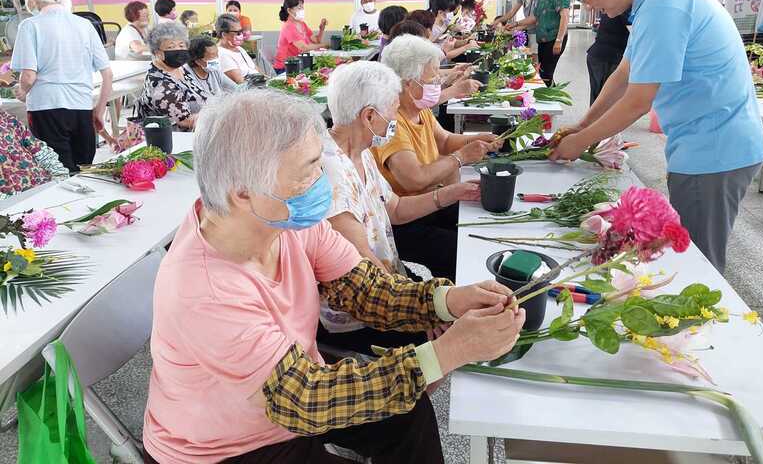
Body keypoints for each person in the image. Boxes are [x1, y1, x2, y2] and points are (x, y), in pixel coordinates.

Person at [142, 88, 525, 464]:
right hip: (231, 447)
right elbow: (303, 399)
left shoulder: (282, 219)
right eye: (309, 170)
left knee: (408, 415)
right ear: (243, 192)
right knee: (397, 396)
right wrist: (450, 351)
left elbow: (369, 291)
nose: (322, 181)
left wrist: (448, 301)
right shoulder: (205, 291)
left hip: (288, 396)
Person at [549, 0, 763, 273]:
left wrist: (582, 143)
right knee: (691, 253)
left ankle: (697, 326)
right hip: (708, 142)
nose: (588, 5)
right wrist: (583, 125)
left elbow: (638, 101)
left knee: (699, 266)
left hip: (714, 150)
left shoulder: (664, 7)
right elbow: (625, 72)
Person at [321, 61, 482, 350]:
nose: (395, 120)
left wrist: (452, 193)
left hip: (388, 280)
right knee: (441, 339)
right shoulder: (330, 173)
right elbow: (363, 258)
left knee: (445, 299)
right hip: (359, 308)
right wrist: (421, 309)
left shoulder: (361, 151)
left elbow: (394, 209)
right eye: (393, 112)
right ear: (369, 116)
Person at [373, 35, 499, 277]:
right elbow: (415, 179)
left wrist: (480, 138)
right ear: (408, 85)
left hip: (427, 203)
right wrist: (461, 157)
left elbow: (445, 141)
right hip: (405, 218)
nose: (438, 85)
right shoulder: (393, 123)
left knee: (475, 221)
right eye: (432, 80)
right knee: (454, 248)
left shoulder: (418, 110)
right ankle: (455, 300)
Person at [11, 0, 113, 172]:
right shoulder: (84, 25)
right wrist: (99, 111)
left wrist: (22, 91)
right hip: (81, 107)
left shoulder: (30, 25)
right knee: (83, 169)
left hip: (46, 108)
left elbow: (29, 75)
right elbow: (107, 74)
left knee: (58, 172)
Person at [137, 23, 205, 130]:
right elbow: (184, 121)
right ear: (157, 52)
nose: (178, 49)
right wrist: (215, 117)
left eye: (181, 45)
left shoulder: (180, 69)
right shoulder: (159, 84)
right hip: (179, 137)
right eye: (171, 47)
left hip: (200, 127)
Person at [0, 109, 69, 200]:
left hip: (44, 188)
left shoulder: (8, 120)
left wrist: (60, 176)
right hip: (13, 203)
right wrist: (18, 200)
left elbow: (39, 149)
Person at [531, 0, 570, 86]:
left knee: (547, 74)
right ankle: (549, 98)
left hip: (554, 39)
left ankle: (552, 100)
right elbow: (535, 17)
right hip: (543, 40)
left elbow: (564, 16)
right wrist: (515, 25)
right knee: (543, 73)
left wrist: (559, 40)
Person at [586, 8, 631, 104]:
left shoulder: (616, 3)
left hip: (598, 55)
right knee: (607, 100)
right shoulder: (625, 7)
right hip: (609, 58)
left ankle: (594, 118)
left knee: (598, 98)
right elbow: (636, 33)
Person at [274, 0, 327, 71]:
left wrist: (321, 29)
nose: (302, 10)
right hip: (286, 67)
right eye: (299, 8)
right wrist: (325, 45)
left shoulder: (302, 24)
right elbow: (304, 47)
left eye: (303, 7)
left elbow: (316, 41)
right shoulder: (288, 26)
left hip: (299, 63)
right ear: (289, 10)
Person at [183, 36, 237, 102]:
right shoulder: (186, 75)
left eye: (217, 54)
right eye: (213, 56)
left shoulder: (215, 70)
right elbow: (202, 102)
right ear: (198, 61)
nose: (217, 58)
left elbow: (235, 88)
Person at [215, 13, 258, 83]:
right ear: (224, 34)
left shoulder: (239, 48)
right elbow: (240, 82)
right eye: (237, 32)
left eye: (241, 31)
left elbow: (255, 68)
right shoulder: (221, 54)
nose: (241, 35)